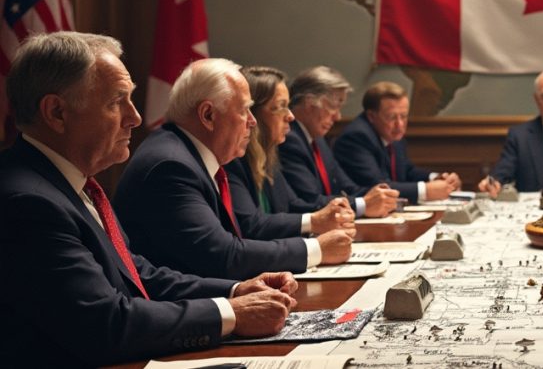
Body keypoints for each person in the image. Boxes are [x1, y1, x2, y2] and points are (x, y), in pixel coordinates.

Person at [0, 32, 296, 365]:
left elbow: (138, 273)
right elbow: (105, 324)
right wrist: (230, 314)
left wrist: (234, 291)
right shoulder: (26, 202)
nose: (136, 118)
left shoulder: (70, 181)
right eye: (116, 102)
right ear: (56, 112)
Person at [115, 59, 354, 280]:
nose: (252, 121)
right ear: (208, 115)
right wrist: (316, 249)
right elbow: (222, 255)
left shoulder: (188, 154)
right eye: (243, 110)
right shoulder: (171, 166)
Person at [224, 66, 357, 240]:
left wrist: (331, 213)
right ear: (252, 113)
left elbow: (291, 204)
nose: (290, 116)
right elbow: (250, 225)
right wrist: (314, 221)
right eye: (280, 107)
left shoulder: (268, 153)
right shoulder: (232, 160)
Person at [278, 66, 398, 216]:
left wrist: (380, 196)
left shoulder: (319, 140)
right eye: (334, 107)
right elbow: (309, 200)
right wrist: (363, 204)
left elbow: (346, 187)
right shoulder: (288, 139)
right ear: (309, 103)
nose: (338, 117)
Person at [334, 81, 461, 202]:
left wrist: (435, 178)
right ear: (371, 116)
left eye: (404, 116)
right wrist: (425, 190)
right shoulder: (356, 137)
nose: (399, 124)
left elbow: (407, 170)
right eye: (392, 117)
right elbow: (378, 186)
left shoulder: (391, 133)